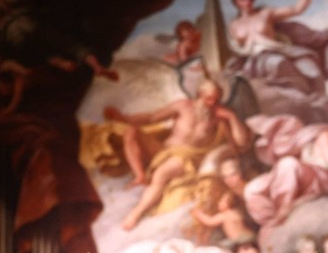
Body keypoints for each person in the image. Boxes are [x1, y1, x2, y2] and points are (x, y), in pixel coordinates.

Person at [104, 79, 251, 228]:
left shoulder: (218, 118)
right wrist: (122, 118)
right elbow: (151, 118)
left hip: (188, 158)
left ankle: (136, 213)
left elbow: (242, 142)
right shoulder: (183, 106)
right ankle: (140, 175)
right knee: (131, 131)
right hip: (164, 151)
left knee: (162, 173)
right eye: (209, 98)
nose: (212, 103)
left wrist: (231, 117)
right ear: (199, 95)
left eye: (217, 100)